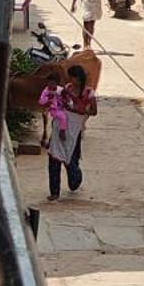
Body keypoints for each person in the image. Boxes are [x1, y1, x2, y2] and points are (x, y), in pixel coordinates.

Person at [41, 64, 96, 199]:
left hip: (75, 129)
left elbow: (94, 111)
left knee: (71, 158)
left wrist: (78, 111)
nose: (72, 81)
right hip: (61, 125)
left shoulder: (89, 93)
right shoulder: (67, 89)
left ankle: (75, 179)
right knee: (54, 157)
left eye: (74, 78)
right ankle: (54, 192)